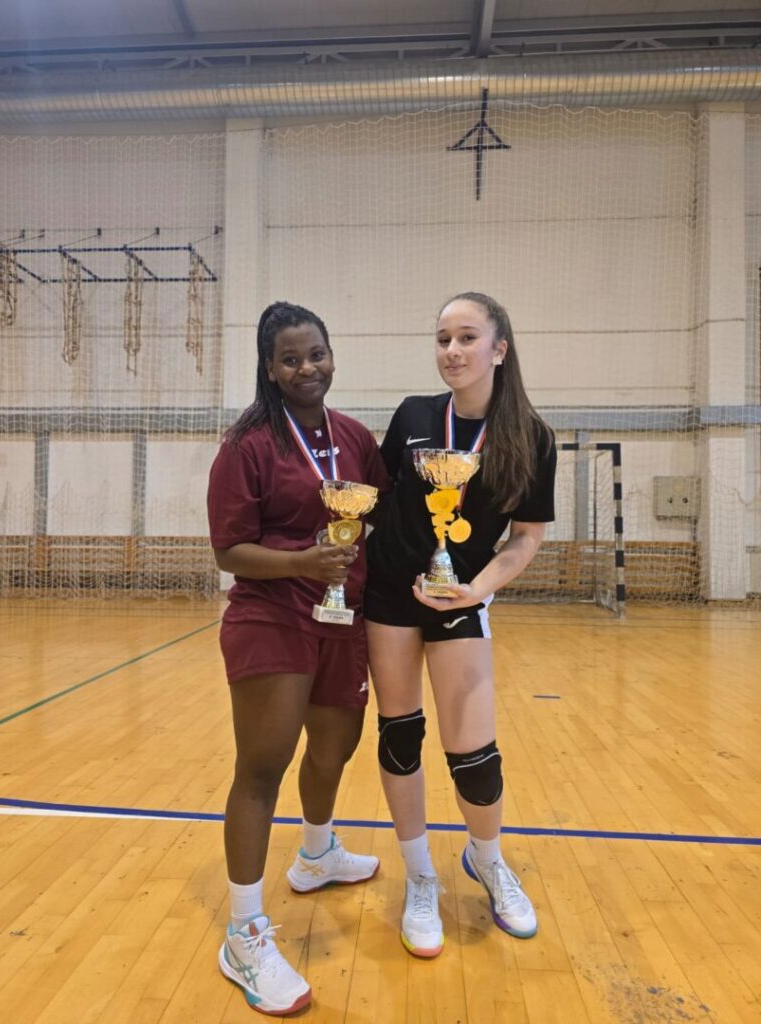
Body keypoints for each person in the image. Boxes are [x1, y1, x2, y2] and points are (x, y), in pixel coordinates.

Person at [207, 301, 391, 1015]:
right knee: (263, 768)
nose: (307, 368)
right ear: (270, 368)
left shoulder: (353, 437)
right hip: (272, 615)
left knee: (335, 748)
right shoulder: (248, 445)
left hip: (344, 615)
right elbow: (229, 550)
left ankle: (317, 853)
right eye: (290, 359)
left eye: (316, 354)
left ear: (331, 355)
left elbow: (382, 514)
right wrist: (301, 562)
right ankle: (244, 934)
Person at [365, 291, 556, 958]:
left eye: (467, 337)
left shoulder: (531, 437)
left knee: (474, 757)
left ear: (499, 349)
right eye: (443, 338)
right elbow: (378, 499)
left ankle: (487, 859)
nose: (452, 350)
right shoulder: (414, 416)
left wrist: (475, 590)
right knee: (400, 736)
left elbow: (526, 537)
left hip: (460, 600)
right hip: (390, 597)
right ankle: (420, 876)